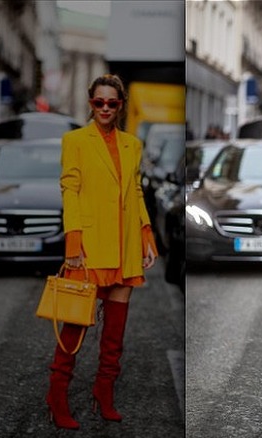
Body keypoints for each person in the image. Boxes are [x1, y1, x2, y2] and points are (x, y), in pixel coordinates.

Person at [46, 74, 158, 430]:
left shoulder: (132, 145)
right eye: (99, 103)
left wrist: (146, 235)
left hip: (124, 249)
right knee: (73, 329)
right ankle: (57, 395)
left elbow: (136, 192)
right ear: (90, 103)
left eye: (112, 103)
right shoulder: (75, 141)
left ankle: (103, 393)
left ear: (121, 105)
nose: (106, 108)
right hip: (90, 249)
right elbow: (70, 191)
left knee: (115, 337)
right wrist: (73, 244)